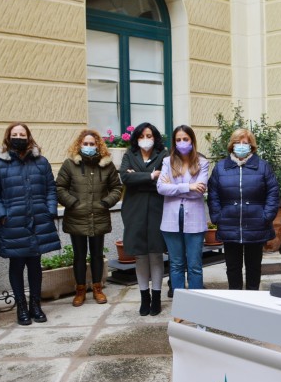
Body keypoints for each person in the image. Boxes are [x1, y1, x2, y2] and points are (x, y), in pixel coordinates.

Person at [0, 122, 61, 325]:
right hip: (13, 222)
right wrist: (2, 215)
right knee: (16, 264)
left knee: (35, 264)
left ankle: (36, 305)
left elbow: (50, 189)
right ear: (8, 138)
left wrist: (50, 211)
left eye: (22, 133)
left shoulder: (41, 162)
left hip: (38, 220)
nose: (19, 137)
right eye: (15, 134)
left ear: (29, 137)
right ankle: (21, 307)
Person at [56, 129, 122, 307]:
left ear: (98, 145)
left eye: (92, 144)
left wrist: (105, 203)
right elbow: (60, 187)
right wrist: (73, 203)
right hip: (76, 216)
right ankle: (80, 290)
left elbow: (117, 188)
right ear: (79, 145)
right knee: (79, 255)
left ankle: (98, 288)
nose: (88, 147)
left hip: (98, 216)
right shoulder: (70, 164)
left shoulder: (106, 165)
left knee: (97, 255)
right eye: (85, 144)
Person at [208, 128, 279, 291]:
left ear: (251, 146)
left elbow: (273, 192)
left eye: (245, 143)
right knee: (233, 269)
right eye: (237, 142)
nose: (241, 146)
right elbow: (213, 194)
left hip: (256, 225)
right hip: (229, 225)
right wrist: (217, 216)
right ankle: (236, 303)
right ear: (231, 145)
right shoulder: (220, 168)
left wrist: (266, 216)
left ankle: (252, 302)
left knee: (254, 268)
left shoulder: (262, 167)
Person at [120, 122, 168, 316]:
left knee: (156, 253)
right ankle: (144, 297)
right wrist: (150, 176)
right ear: (136, 138)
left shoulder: (163, 155)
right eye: (142, 136)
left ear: (155, 137)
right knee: (140, 254)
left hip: (158, 208)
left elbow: (164, 178)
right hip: (134, 210)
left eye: (149, 135)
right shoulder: (129, 155)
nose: (146, 139)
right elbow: (125, 178)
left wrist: (137, 176)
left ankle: (156, 296)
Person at [157, 125, 209, 292]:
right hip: (171, 220)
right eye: (178, 140)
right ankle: (180, 305)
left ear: (192, 140)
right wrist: (189, 187)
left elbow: (199, 191)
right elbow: (161, 188)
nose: (182, 142)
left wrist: (175, 187)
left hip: (194, 219)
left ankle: (195, 304)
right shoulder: (167, 161)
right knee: (176, 264)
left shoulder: (202, 162)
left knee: (194, 265)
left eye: (185, 139)